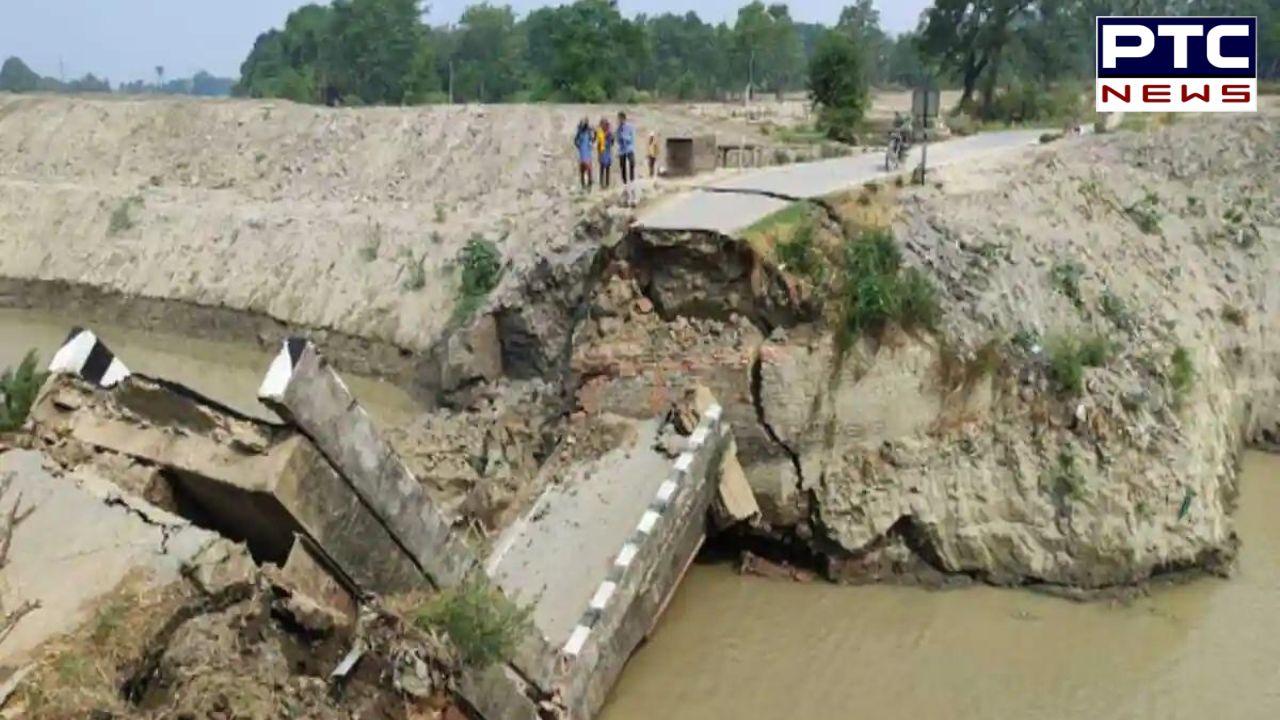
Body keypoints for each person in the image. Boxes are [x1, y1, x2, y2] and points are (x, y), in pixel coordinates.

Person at [616, 111, 636, 186]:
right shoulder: (618, 128)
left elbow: (632, 137)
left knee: (632, 163)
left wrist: (625, 138)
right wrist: (619, 138)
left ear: (623, 118)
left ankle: (632, 180)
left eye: (620, 118)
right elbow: (617, 139)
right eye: (618, 119)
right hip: (622, 150)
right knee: (622, 166)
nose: (619, 120)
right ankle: (624, 182)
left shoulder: (629, 126)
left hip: (629, 148)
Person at [574, 118, 594, 190]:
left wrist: (590, 143)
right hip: (583, 152)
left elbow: (593, 138)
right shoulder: (581, 132)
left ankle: (588, 185)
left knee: (587, 169)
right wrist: (579, 145)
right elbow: (575, 141)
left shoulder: (588, 131)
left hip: (586, 152)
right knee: (585, 169)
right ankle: (585, 185)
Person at [596, 117, 614, 189]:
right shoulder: (600, 133)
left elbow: (612, 142)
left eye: (605, 124)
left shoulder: (609, 133)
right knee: (602, 168)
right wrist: (599, 154)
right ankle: (601, 184)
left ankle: (607, 184)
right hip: (602, 152)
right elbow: (599, 144)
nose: (604, 126)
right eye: (603, 124)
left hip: (607, 151)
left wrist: (610, 136)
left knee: (607, 168)